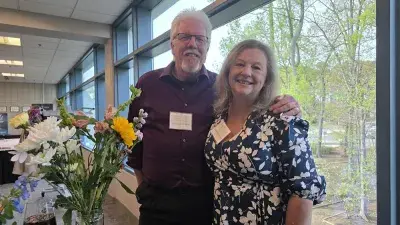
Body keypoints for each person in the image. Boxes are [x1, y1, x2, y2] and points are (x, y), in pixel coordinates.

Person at [127, 10, 302, 225]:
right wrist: (143, 187)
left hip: (206, 206)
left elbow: (254, 100)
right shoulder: (147, 85)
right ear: (172, 44)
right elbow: (133, 143)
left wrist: (288, 102)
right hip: (156, 205)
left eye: (200, 38)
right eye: (184, 37)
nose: (192, 43)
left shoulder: (223, 88)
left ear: (207, 46)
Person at [204, 39, 326, 225]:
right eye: (240, 64)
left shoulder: (282, 120)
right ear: (228, 71)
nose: (246, 72)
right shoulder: (219, 118)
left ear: (266, 78)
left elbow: (303, 193)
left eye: (256, 67)